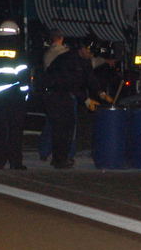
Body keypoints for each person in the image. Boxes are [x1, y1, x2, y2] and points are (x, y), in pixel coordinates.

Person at [42, 37, 106, 168]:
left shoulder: (84, 60)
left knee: (68, 127)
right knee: (61, 128)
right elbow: (70, 83)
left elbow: (89, 78)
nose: (91, 56)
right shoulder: (67, 60)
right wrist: (86, 99)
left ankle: (60, 157)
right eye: (89, 52)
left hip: (67, 95)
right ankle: (59, 159)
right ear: (82, 49)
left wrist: (100, 92)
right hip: (56, 94)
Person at [0, 19, 29, 170]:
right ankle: (15, 162)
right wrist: (25, 94)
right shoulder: (18, 50)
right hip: (14, 96)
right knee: (15, 130)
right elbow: (22, 75)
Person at [38, 29, 68, 161]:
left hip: (50, 92)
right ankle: (65, 154)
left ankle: (44, 151)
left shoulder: (48, 53)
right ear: (61, 38)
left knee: (50, 123)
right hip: (61, 92)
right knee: (63, 126)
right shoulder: (61, 52)